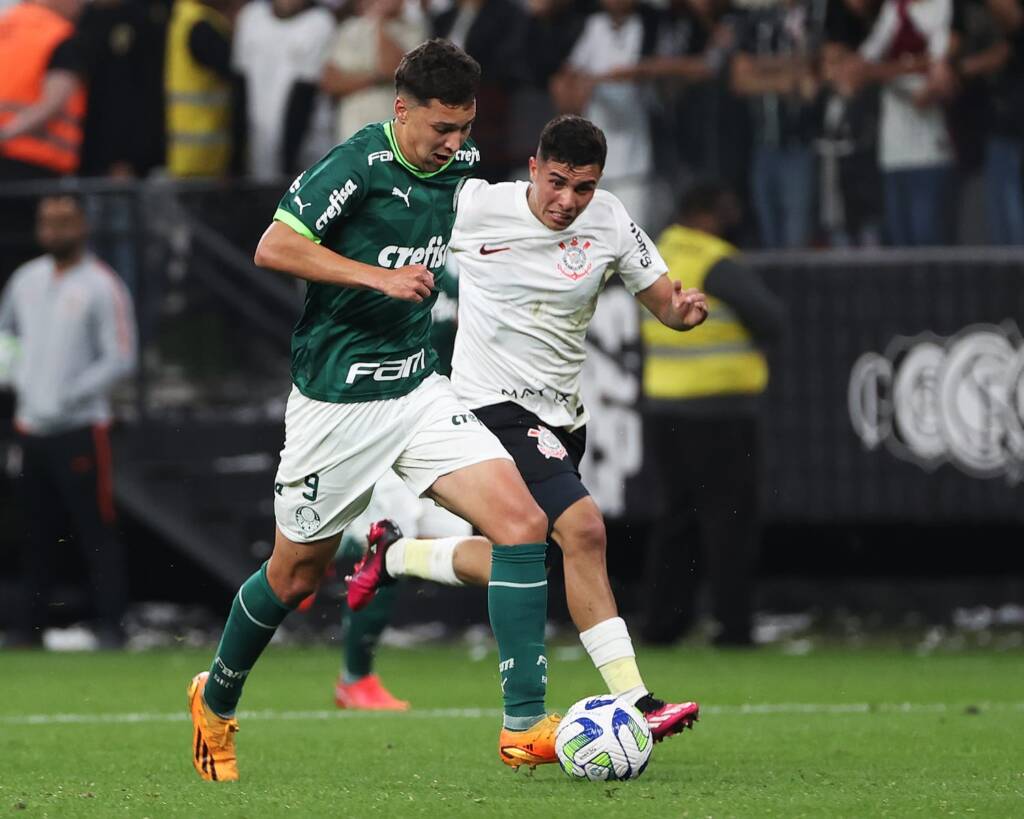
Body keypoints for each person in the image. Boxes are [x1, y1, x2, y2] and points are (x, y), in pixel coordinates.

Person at [186, 39, 556, 783]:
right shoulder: (356, 164)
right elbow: (273, 246)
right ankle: (215, 700)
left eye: (464, 127)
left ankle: (524, 727)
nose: (455, 143)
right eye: (441, 128)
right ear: (401, 109)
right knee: (295, 576)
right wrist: (375, 278)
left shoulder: (458, 165)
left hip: (418, 390)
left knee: (523, 525)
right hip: (337, 404)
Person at [346, 114, 708, 742]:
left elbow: (664, 304)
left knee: (522, 558)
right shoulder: (477, 206)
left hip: (563, 417)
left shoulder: (610, 219)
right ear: (534, 169)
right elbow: (392, 222)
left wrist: (681, 313)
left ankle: (395, 554)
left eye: (584, 187)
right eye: (557, 182)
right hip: (489, 406)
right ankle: (635, 700)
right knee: (584, 529)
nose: (568, 200)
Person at [639, 181, 785, 647]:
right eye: (724, 213)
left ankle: (663, 626)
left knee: (676, 519)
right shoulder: (714, 260)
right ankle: (733, 626)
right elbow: (771, 319)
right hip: (721, 409)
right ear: (704, 214)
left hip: (664, 406)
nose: (731, 223)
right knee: (730, 521)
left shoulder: (656, 254)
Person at [0, 193, 137, 649]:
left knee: (95, 529)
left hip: (81, 428)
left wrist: (67, 393)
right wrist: (15, 376)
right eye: (47, 221)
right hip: (30, 427)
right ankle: (27, 629)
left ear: (82, 226)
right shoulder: (25, 280)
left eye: (64, 221)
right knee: (33, 532)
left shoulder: (102, 285)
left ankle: (112, 625)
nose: (54, 230)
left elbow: (121, 357)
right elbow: (7, 335)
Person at [232, 0, 336, 180]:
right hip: (256, 155)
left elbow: (303, 100)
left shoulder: (319, 23)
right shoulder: (251, 16)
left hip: (304, 160)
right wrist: (235, 160)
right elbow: (240, 89)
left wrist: (288, 170)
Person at [320, 0, 427, 144]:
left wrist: (381, 24)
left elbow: (391, 68)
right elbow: (330, 82)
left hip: (391, 134)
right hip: (351, 131)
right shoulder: (351, 28)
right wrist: (376, 78)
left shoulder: (414, 29)